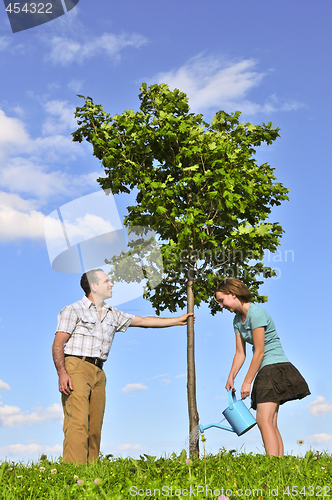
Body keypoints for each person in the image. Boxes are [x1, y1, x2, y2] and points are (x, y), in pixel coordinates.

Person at [53, 268, 194, 464]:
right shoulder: (74, 309)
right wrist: (62, 372)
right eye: (107, 281)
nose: (111, 284)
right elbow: (58, 343)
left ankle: (91, 473)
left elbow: (143, 321)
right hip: (76, 365)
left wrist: (176, 321)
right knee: (77, 422)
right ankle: (73, 473)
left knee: (94, 426)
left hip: (99, 371)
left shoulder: (113, 314)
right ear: (94, 286)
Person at [215, 278, 310, 457]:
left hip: (275, 367)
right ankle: (281, 467)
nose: (221, 305)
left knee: (263, 420)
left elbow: (259, 352)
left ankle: (273, 465)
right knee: (270, 422)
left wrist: (247, 382)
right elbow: (240, 353)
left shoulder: (256, 313)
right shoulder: (237, 320)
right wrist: (231, 376)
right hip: (265, 368)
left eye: (221, 300)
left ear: (233, 294)